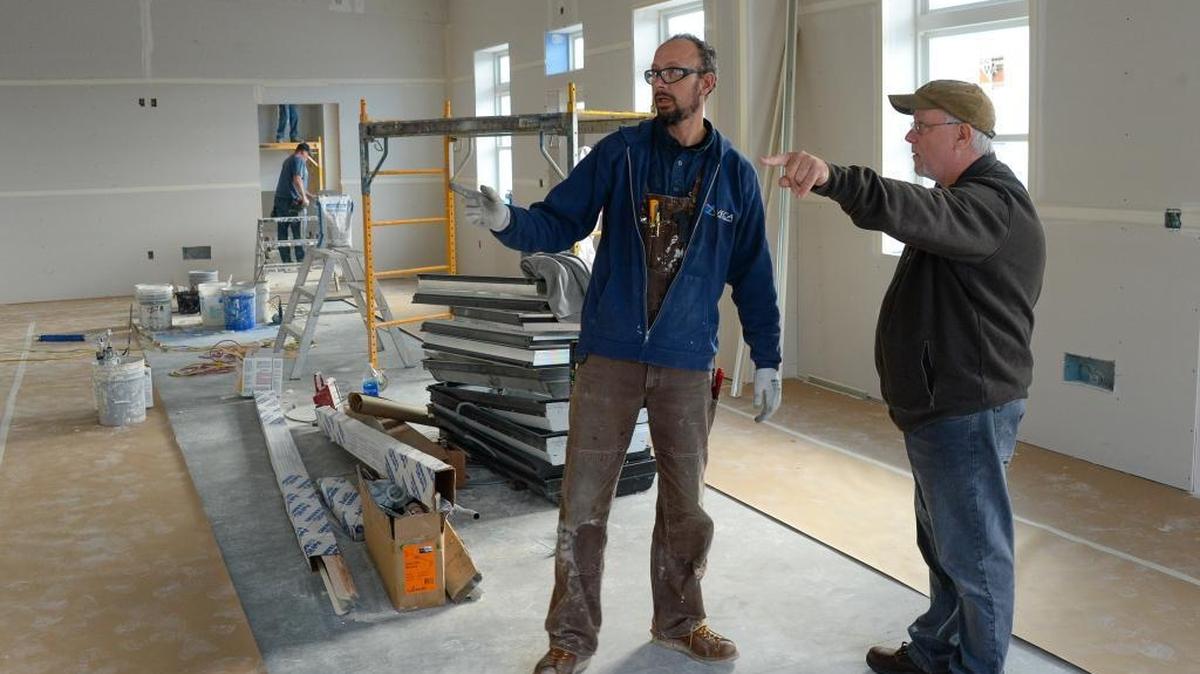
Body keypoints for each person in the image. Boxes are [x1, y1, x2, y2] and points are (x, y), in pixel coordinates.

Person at [460, 34, 783, 674]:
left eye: (675, 72)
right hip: (609, 355)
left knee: (686, 504)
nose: (661, 83)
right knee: (583, 501)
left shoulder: (735, 175)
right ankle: (570, 640)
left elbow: (754, 273)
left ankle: (679, 622)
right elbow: (559, 222)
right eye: (654, 72)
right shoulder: (621, 154)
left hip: (687, 360)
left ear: (706, 83)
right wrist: (506, 220)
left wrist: (768, 357)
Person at [761, 80, 1045, 674]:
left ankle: (975, 668)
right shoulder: (963, 200)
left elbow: (910, 209)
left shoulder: (990, 205)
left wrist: (835, 177)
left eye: (923, 125)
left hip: (966, 408)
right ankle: (935, 652)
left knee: (974, 557)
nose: (910, 136)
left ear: (964, 134)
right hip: (942, 408)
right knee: (945, 548)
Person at [271, 142, 315, 264]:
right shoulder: (298, 159)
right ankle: (301, 260)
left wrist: (310, 196)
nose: (307, 158)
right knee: (298, 231)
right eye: (307, 155)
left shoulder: (288, 160)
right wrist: (305, 198)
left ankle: (286, 261)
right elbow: (297, 180)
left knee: (282, 231)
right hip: (291, 202)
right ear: (302, 152)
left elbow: (295, 184)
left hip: (281, 200)